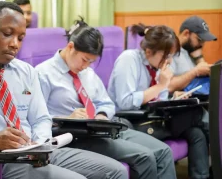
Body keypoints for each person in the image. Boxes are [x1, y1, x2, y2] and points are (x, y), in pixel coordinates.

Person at [0, 1, 128, 179]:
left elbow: (41, 119)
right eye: (7, 34)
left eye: (20, 38)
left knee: (116, 172)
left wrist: (40, 142)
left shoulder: (26, 71)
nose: (15, 44)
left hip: (37, 152)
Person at [35, 17, 177, 179]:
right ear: (70, 47)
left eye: (91, 62)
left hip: (102, 127)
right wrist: (65, 119)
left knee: (164, 151)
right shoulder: (43, 74)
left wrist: (102, 114)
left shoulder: (87, 73)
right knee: (145, 156)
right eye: (84, 60)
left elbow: (106, 102)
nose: (86, 66)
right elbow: (36, 118)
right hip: (75, 135)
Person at [107, 23, 210, 179]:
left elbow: (158, 98)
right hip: (130, 121)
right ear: (149, 51)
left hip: (152, 118)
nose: (168, 61)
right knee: (197, 115)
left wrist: (172, 99)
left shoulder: (155, 66)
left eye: (171, 56)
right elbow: (125, 102)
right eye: (166, 55)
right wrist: (161, 85)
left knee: (196, 133)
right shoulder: (128, 60)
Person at [168, 16, 217, 92]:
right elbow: (168, 86)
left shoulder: (192, 50)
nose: (202, 44)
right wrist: (195, 71)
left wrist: (199, 59)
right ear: (186, 33)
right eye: (199, 39)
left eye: (204, 41)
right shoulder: (170, 52)